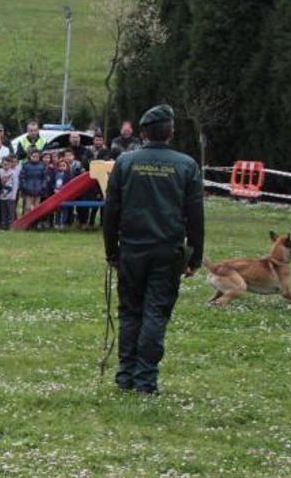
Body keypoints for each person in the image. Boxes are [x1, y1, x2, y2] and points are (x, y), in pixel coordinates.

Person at [103, 104, 204, 395]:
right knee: (155, 313)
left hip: (132, 249)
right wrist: (194, 256)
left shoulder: (125, 163)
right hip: (167, 250)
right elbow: (195, 216)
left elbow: (111, 212)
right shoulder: (186, 165)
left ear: (143, 133)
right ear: (171, 132)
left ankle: (125, 376)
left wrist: (112, 251)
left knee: (130, 312)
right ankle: (145, 380)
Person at [19, 149, 46, 216]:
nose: (35, 158)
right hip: (28, 190)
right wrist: (25, 187)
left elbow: (45, 178)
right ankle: (25, 223)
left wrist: (43, 186)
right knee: (27, 207)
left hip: (39, 190)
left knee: (37, 208)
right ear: (30, 156)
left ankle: (35, 223)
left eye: (37, 156)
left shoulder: (42, 166)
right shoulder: (25, 165)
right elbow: (22, 177)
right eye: (33, 156)